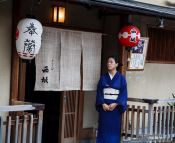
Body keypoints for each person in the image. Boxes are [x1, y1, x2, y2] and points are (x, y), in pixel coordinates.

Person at [96, 56, 128, 143]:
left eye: (111, 62)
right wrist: (102, 103)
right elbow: (99, 92)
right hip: (104, 107)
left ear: (116, 64)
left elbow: (123, 93)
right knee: (103, 129)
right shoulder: (103, 77)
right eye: (108, 62)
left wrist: (116, 103)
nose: (108, 64)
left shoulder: (121, 78)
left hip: (115, 108)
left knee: (114, 130)